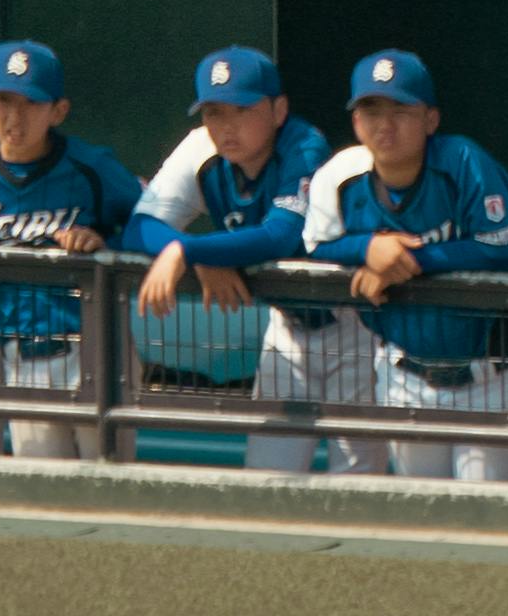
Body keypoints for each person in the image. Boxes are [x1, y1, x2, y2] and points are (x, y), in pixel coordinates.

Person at [0, 41, 156, 461]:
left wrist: (108, 243)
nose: (16, 116)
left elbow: (154, 222)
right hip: (20, 353)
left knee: (110, 485)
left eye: (32, 103)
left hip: (96, 350)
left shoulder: (91, 167)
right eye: (4, 101)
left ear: (58, 111)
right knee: (43, 491)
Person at [131, 48, 356, 476]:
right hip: (288, 331)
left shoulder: (304, 146)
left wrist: (189, 250)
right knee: (266, 477)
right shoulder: (201, 148)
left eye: (242, 109)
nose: (226, 126)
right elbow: (139, 225)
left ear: (278, 109)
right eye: (214, 112)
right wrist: (201, 256)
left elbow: (281, 235)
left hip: (359, 329)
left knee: (360, 483)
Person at [316, 50, 508, 482]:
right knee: (424, 517)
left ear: (430, 119)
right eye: (371, 109)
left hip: (489, 378)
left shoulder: (463, 162)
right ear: (356, 122)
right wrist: (367, 249)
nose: (385, 123)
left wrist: (408, 260)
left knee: (493, 522)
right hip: (405, 377)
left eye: (401, 109)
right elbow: (313, 246)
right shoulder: (343, 179)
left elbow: (504, 247)